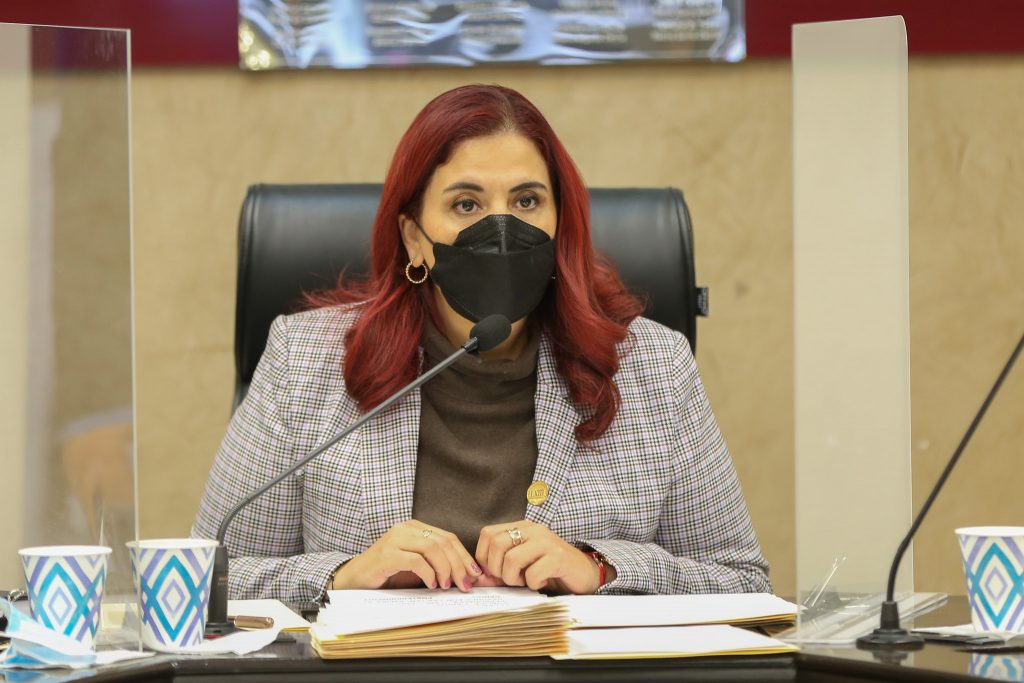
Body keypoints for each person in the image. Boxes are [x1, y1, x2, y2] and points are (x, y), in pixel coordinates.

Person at [192, 84, 770, 607]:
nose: (501, 229)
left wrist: (600, 568)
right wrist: (343, 574)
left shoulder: (652, 365)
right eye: (466, 204)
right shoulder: (305, 360)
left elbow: (742, 580)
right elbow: (209, 579)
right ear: (414, 239)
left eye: (526, 202)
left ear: (560, 225)